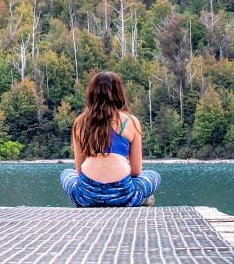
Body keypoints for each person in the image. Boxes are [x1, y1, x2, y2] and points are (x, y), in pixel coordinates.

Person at [60, 71, 161, 207]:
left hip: (87, 196)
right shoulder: (130, 121)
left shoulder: (80, 122)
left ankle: (89, 200)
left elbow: (79, 171)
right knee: (153, 175)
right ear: (119, 93)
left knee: (66, 174)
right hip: (123, 196)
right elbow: (137, 171)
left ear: (92, 93)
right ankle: (139, 199)